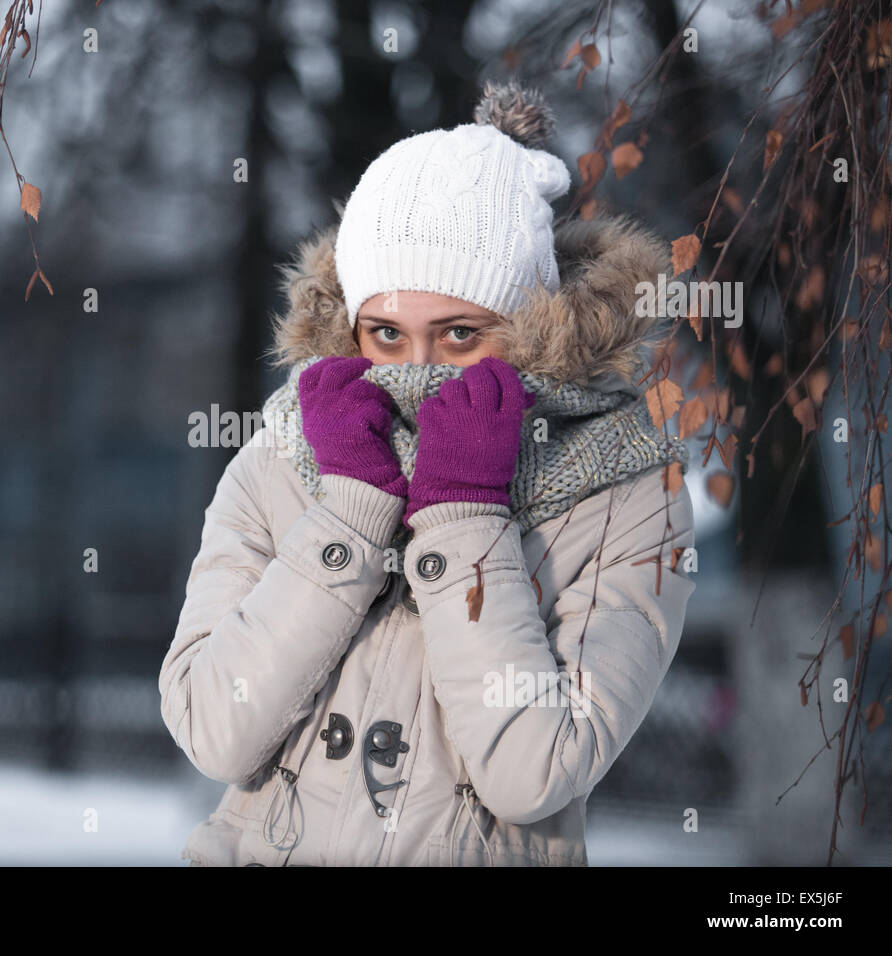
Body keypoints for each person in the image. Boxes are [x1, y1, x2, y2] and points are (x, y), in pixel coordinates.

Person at [159, 79, 696, 866]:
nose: (417, 370)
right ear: (351, 326)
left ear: (530, 324)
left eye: (458, 335)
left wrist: (466, 513)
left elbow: (532, 774)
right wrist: (350, 513)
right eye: (385, 332)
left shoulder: (625, 492)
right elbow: (214, 731)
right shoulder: (284, 453)